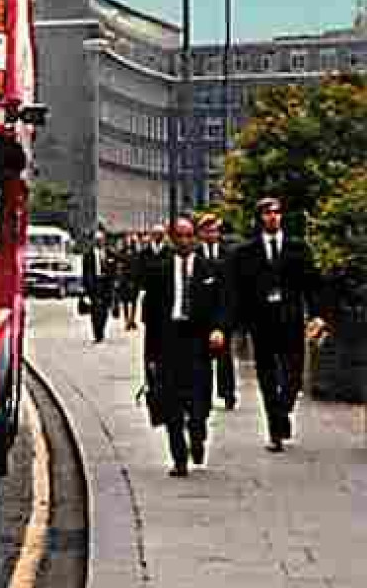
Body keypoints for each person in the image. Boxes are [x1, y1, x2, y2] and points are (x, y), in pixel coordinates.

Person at [227, 197, 328, 452]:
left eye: (277, 213)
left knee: (293, 373)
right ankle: (275, 429)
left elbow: (311, 284)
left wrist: (317, 314)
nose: (273, 217)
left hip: (291, 320)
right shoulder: (245, 252)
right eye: (268, 213)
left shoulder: (298, 248)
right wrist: (237, 324)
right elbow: (237, 291)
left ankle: (283, 410)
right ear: (260, 218)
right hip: (261, 323)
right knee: (267, 376)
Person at [137, 216, 215, 476]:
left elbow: (221, 305)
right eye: (179, 236)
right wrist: (149, 356)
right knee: (171, 403)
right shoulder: (158, 269)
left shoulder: (208, 269)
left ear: (195, 238)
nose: (184, 241)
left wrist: (219, 331)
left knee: (198, 401)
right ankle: (179, 458)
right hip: (168, 340)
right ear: (172, 239)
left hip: (197, 341)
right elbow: (150, 315)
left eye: (189, 236)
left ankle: (197, 434)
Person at [194, 212, 237, 410]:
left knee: (225, 356)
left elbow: (233, 285)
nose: (212, 234)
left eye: (215, 231)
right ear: (201, 233)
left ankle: (228, 393)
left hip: (223, 311)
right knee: (202, 358)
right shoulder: (195, 254)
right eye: (208, 231)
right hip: (201, 314)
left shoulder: (228, 254)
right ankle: (204, 395)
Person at [80, 229, 115, 344]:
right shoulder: (88, 254)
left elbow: (115, 266)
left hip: (106, 284)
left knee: (104, 310)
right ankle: (97, 333)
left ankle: (102, 329)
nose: (100, 242)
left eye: (101, 240)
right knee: (96, 310)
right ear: (94, 241)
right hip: (95, 284)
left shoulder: (109, 253)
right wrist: (86, 288)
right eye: (97, 240)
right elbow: (85, 273)